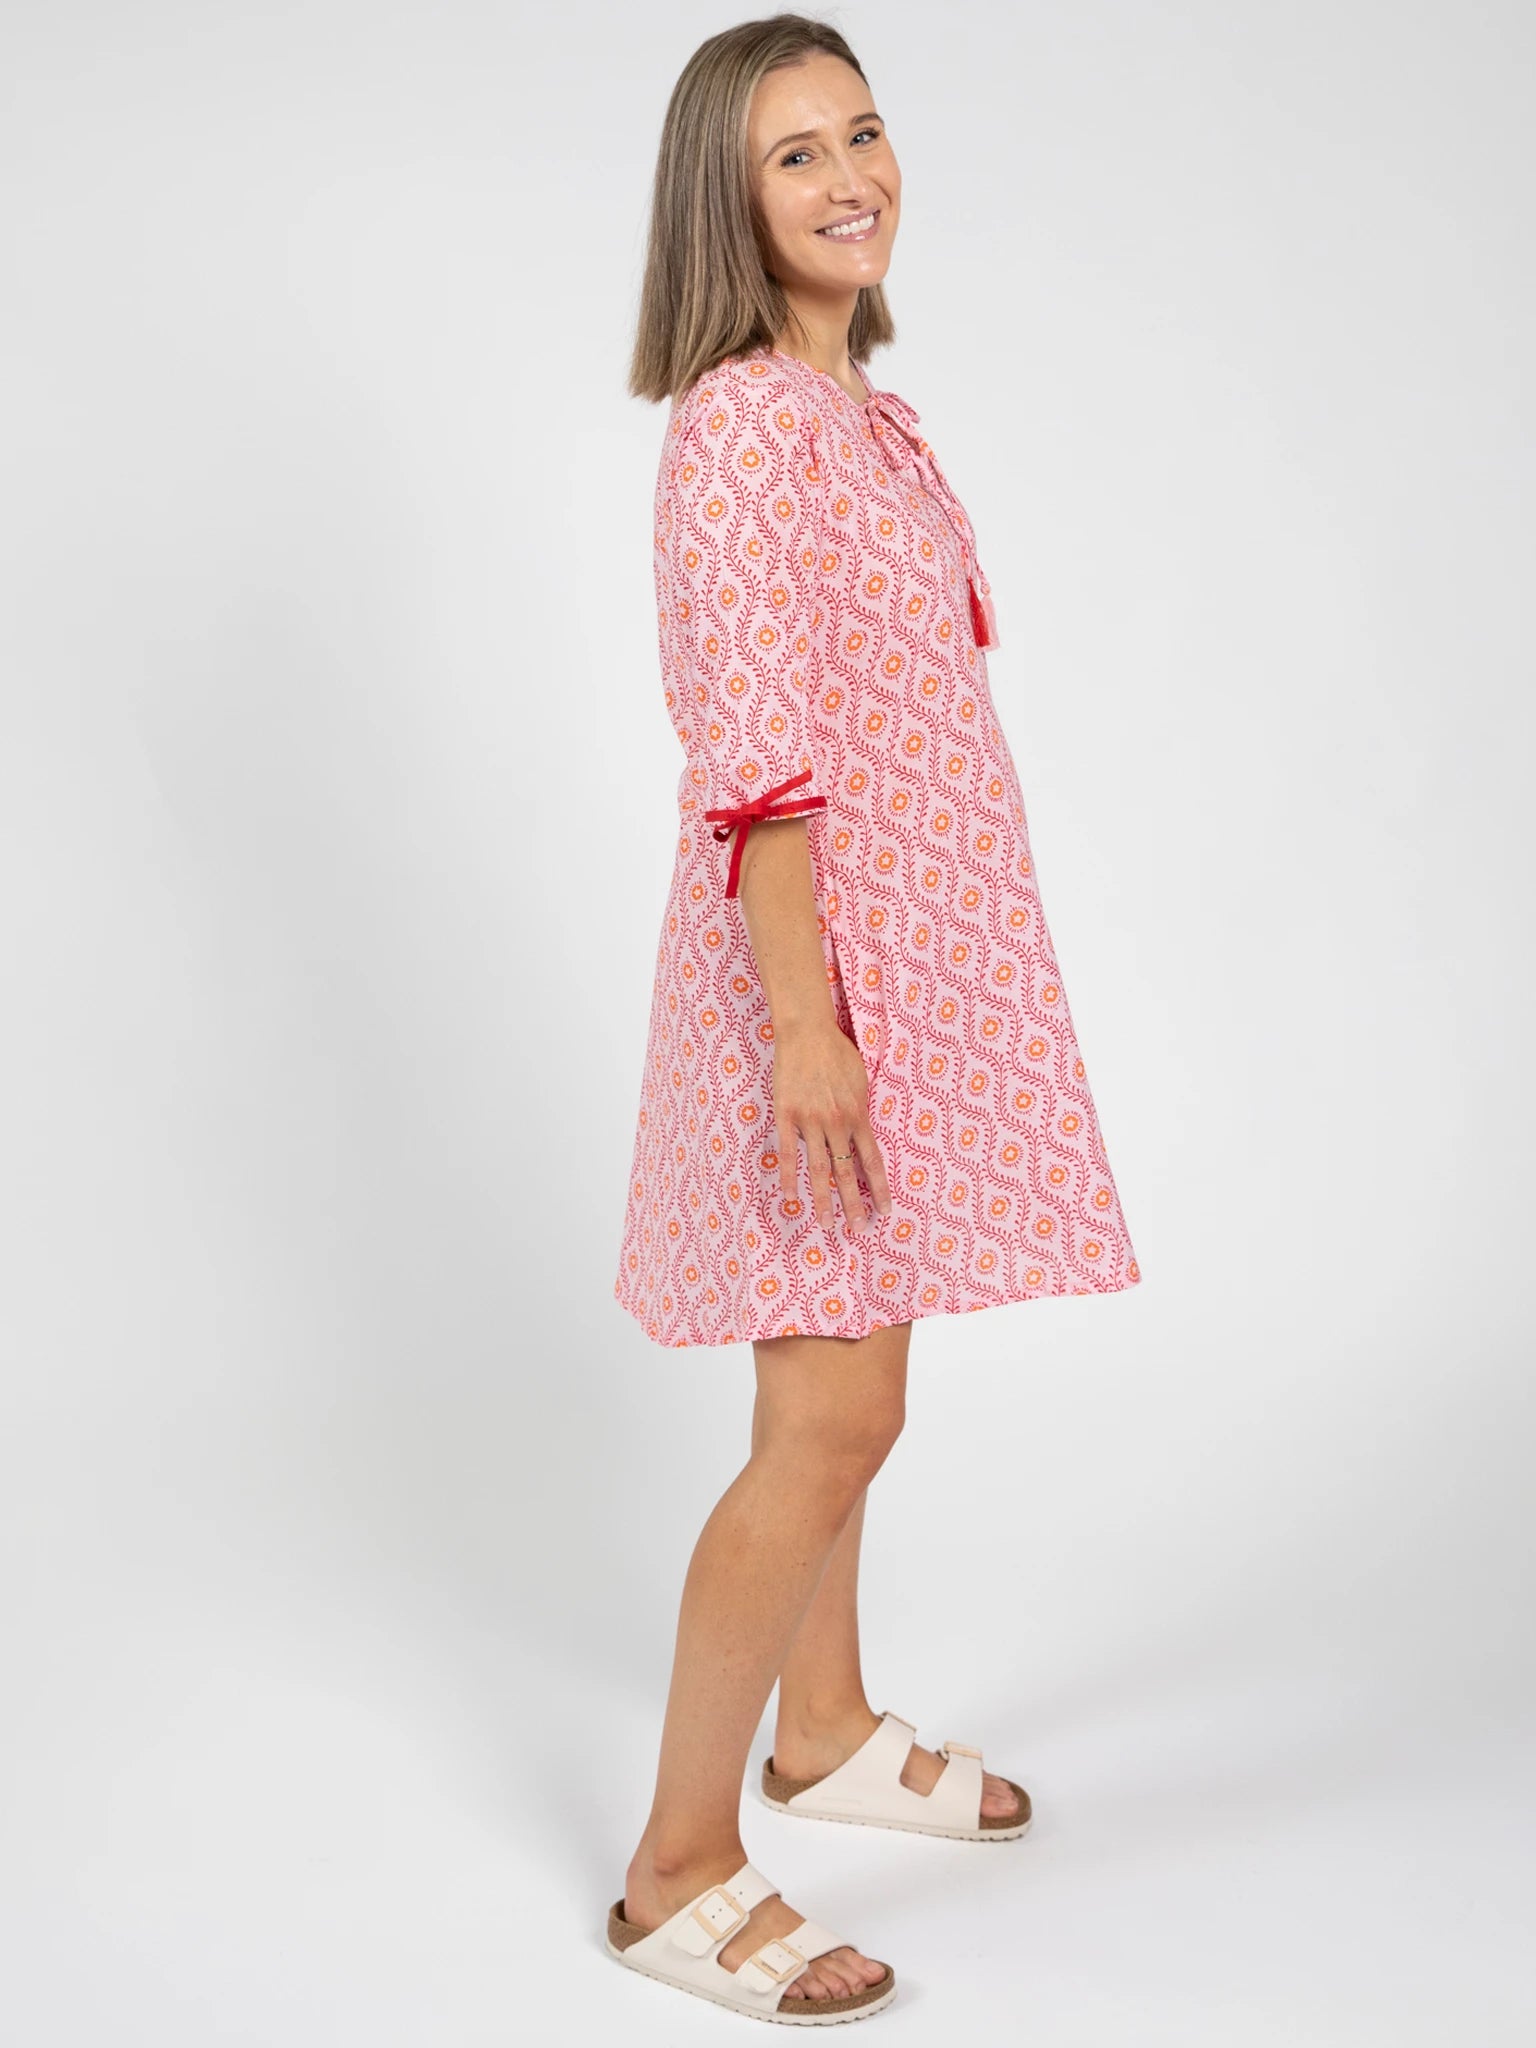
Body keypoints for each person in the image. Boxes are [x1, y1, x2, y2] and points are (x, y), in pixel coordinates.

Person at [606, 14, 1142, 2024]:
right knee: (834, 1412)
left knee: (846, 1410)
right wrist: (806, 1025)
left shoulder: (864, 415)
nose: (850, 178)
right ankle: (674, 1864)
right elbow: (752, 755)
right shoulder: (745, 420)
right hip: (811, 984)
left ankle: (818, 1725)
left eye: (865, 132)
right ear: (724, 210)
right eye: (793, 158)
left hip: (901, 982)